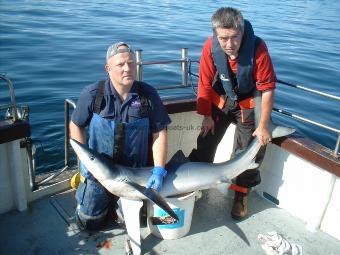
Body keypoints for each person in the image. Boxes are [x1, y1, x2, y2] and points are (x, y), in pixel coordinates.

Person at [70, 42, 171, 230]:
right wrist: (83, 160)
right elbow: (75, 125)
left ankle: (118, 211)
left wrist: (158, 169)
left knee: (131, 222)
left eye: (132, 63)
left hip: (134, 174)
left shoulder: (147, 94)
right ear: (107, 68)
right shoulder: (93, 94)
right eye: (121, 64)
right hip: (100, 174)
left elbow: (160, 132)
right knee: (89, 222)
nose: (128, 69)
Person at [189, 7, 276, 220]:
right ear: (216, 35)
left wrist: (263, 125)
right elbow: (204, 83)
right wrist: (207, 116)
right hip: (220, 100)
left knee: (246, 152)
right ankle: (197, 183)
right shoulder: (210, 46)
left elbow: (267, 89)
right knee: (205, 141)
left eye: (234, 38)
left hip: (247, 105)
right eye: (223, 38)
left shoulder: (258, 48)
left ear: (242, 31)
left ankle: (241, 194)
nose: (229, 45)